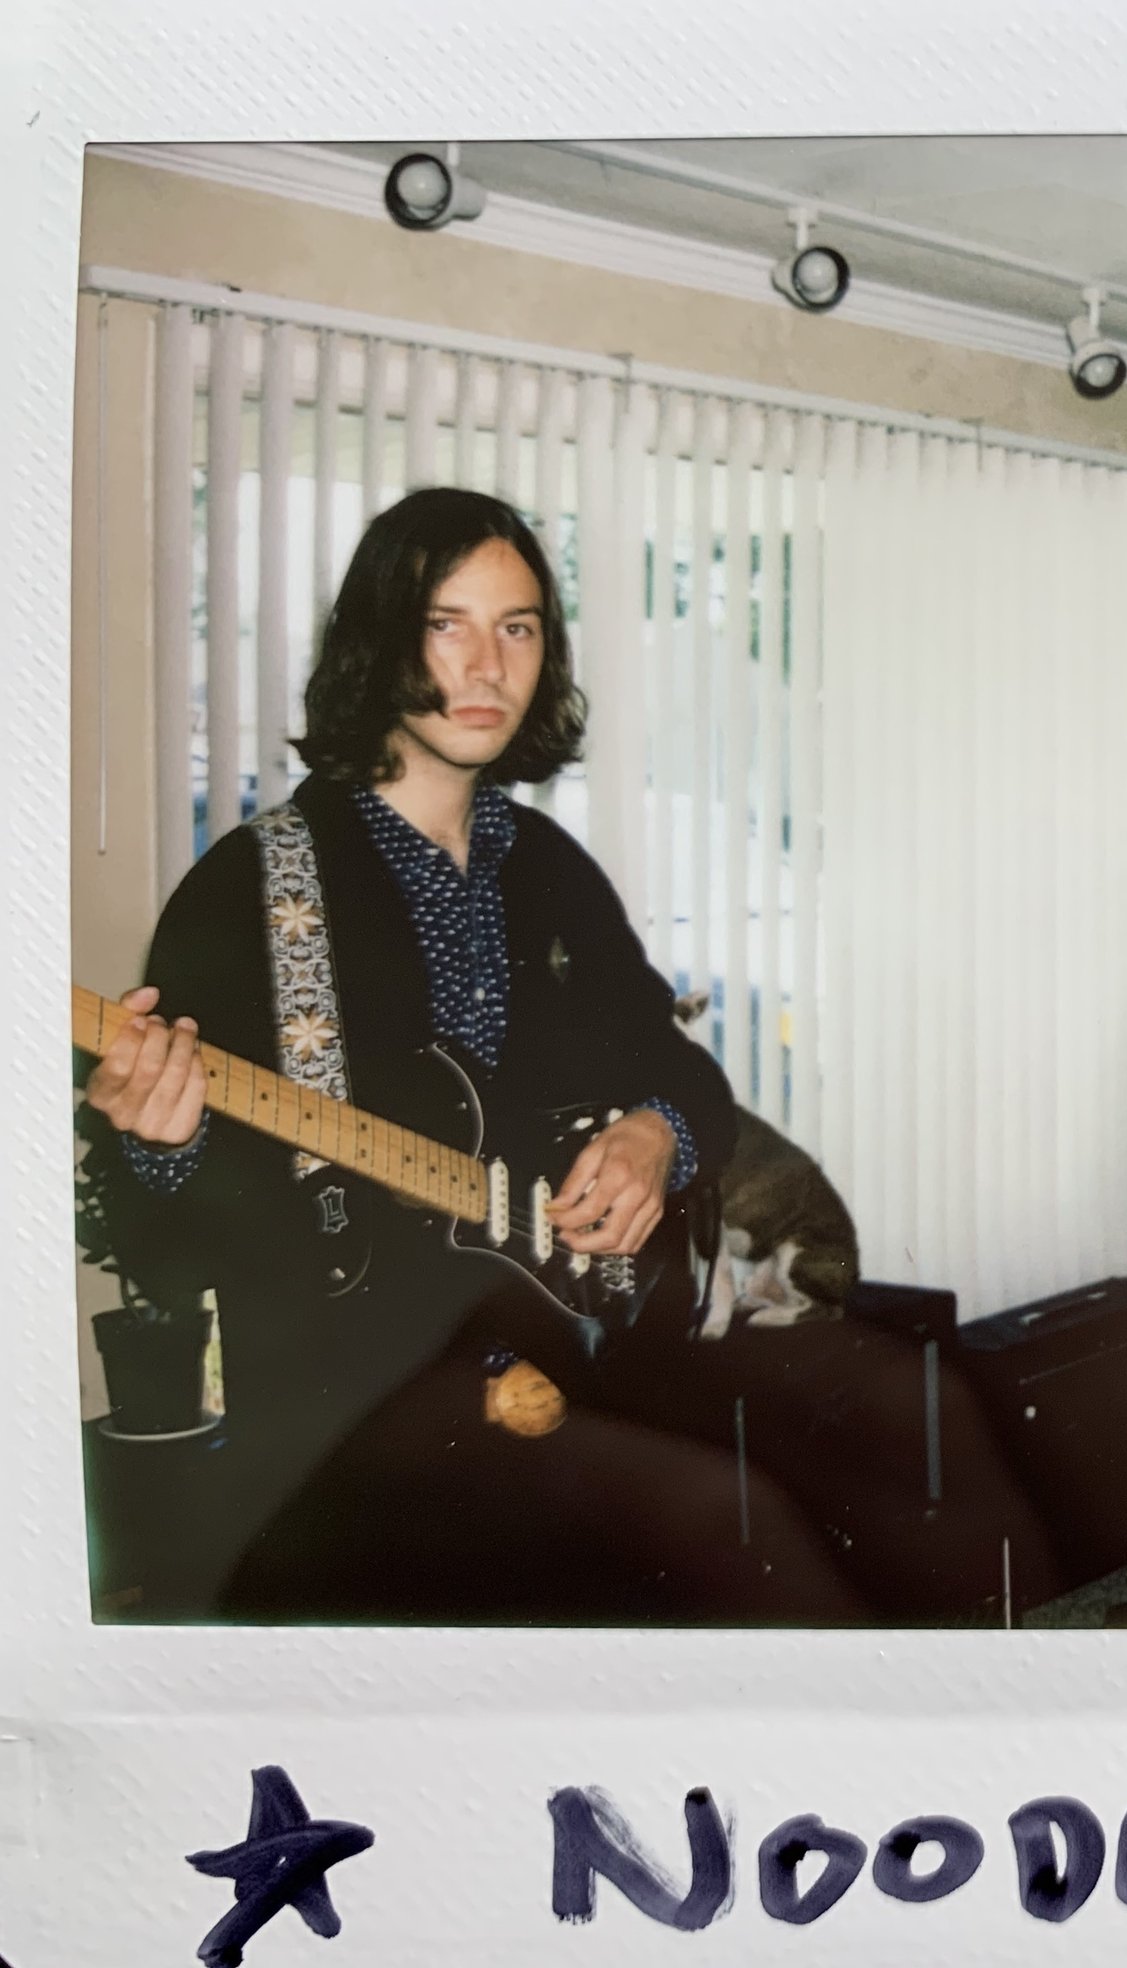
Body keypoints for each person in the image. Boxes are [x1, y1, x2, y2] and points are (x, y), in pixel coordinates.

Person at [82, 487, 860, 1620]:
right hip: (351, 1404)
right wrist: (157, 1141)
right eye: (448, 624)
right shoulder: (250, 892)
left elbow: (681, 1072)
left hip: (572, 1338)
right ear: (382, 642)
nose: (487, 664)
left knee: (837, 1445)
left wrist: (655, 1137)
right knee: (722, 1532)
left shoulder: (548, 866)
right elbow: (163, 1241)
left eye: (520, 627)